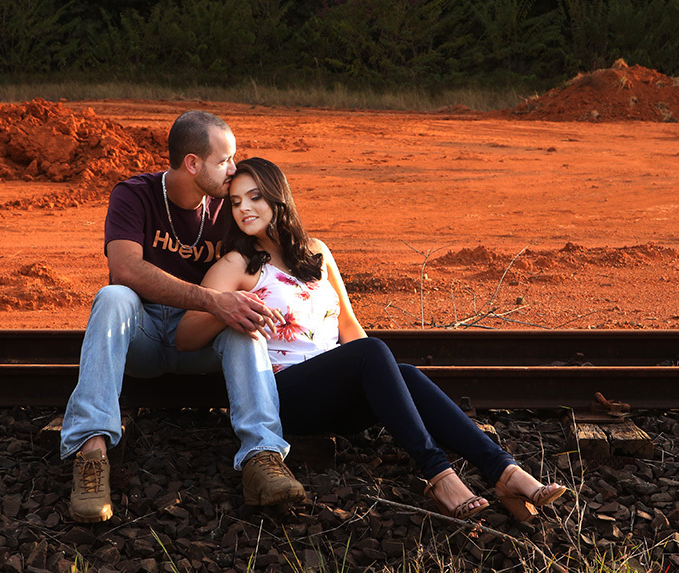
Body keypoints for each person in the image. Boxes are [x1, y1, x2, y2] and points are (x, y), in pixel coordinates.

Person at [175, 157, 567, 521]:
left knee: (404, 373)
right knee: (374, 352)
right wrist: (226, 308)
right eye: (236, 202)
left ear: (278, 198)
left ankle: (504, 471)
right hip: (284, 397)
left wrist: (385, 384)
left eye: (255, 197)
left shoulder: (316, 252)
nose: (244, 208)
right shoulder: (237, 265)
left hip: (334, 398)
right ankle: (439, 476)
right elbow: (185, 337)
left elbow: (349, 327)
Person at [60, 112, 306, 524]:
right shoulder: (134, 195)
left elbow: (272, 243)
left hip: (200, 341)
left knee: (242, 322)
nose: (233, 169)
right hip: (141, 334)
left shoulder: (229, 205)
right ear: (192, 163)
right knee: (113, 296)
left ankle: (262, 457)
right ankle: (92, 455)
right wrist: (214, 300)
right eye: (224, 160)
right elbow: (125, 269)